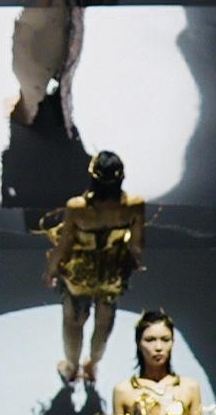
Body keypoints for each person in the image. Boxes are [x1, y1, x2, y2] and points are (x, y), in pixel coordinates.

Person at [42, 148, 149, 383]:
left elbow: (64, 245)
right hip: (112, 272)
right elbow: (137, 245)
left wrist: (51, 269)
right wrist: (130, 264)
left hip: (79, 273)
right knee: (104, 322)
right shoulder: (134, 205)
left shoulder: (78, 207)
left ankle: (72, 368)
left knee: (73, 322)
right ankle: (92, 366)